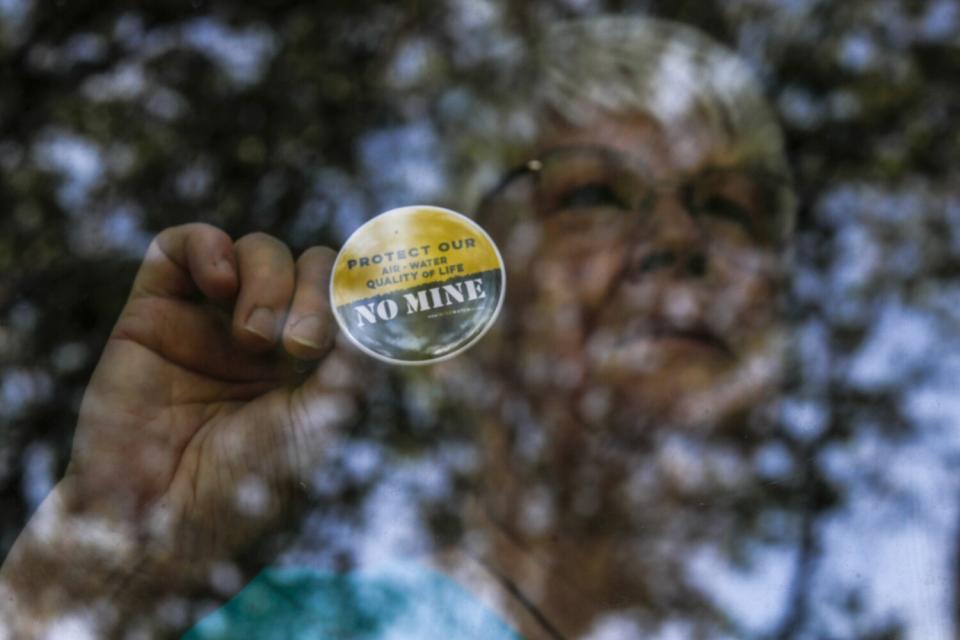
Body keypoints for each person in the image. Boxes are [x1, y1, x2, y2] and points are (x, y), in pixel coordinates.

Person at [0, 16, 795, 639]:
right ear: (454, 317)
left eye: (729, 206)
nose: (681, 239)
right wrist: (95, 578)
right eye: (591, 196)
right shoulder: (299, 635)